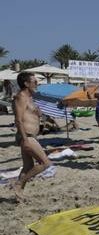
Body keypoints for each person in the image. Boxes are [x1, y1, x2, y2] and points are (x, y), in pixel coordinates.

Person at [11, 72, 51, 201]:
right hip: (26, 136)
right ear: (26, 83)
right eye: (34, 82)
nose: (37, 84)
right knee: (45, 163)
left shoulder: (30, 98)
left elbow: (30, 114)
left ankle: (19, 194)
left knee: (28, 166)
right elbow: (18, 120)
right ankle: (18, 184)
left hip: (31, 136)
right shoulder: (21, 97)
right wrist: (26, 139)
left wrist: (38, 114)